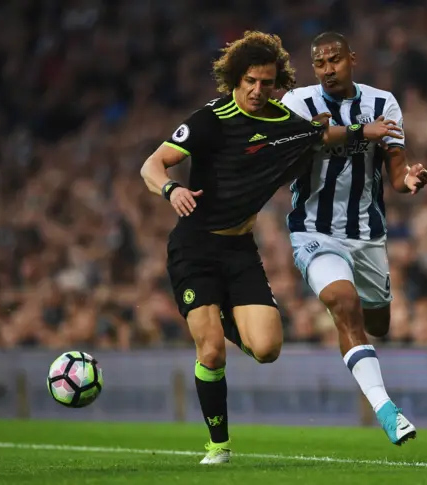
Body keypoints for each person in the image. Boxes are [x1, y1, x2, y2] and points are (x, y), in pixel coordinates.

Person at [140, 31, 404, 464]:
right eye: (250, 81)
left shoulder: (282, 122)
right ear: (234, 80)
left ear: (276, 82)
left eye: (266, 82)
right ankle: (218, 445)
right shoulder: (211, 118)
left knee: (267, 349)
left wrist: (363, 130)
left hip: (240, 249)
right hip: (195, 247)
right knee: (210, 349)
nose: (258, 90)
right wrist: (171, 189)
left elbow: (320, 138)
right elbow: (152, 164)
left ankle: (219, 314)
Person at [280, 32, 427, 447]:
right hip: (313, 228)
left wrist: (410, 180)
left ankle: (360, 331)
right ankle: (388, 412)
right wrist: (364, 132)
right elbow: (308, 140)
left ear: (352, 59)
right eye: (320, 63)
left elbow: (397, 172)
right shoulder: (298, 103)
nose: (328, 69)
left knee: (377, 322)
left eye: (335, 60)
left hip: (366, 235)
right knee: (343, 305)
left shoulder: (384, 103)